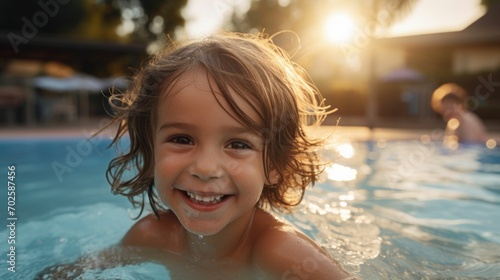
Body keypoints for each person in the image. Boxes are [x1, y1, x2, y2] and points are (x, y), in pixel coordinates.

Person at [36, 31, 352, 279]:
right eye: (182, 139)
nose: (205, 168)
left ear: (274, 164)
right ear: (151, 148)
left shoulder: (282, 253)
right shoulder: (152, 235)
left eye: (238, 144)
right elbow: (73, 272)